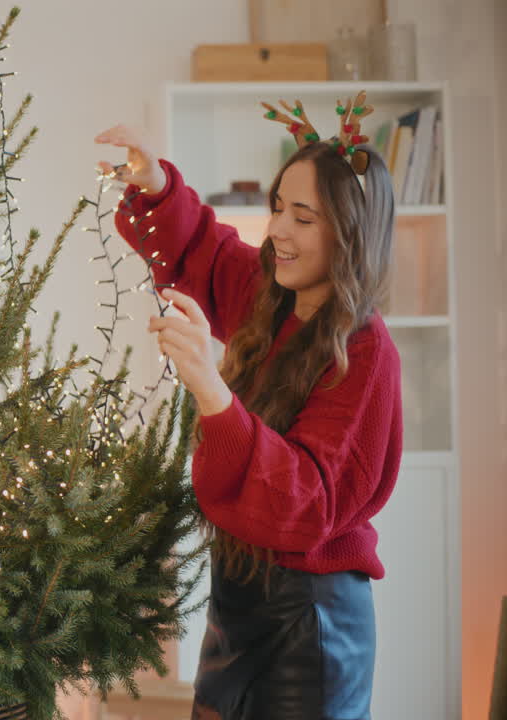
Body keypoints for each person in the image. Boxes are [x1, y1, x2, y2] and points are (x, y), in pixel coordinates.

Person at [94, 97, 402, 720]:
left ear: (350, 233)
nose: (279, 230)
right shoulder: (272, 297)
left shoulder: (366, 352)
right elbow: (204, 249)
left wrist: (212, 391)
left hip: (309, 627)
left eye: (303, 217)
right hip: (237, 607)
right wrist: (154, 181)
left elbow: (306, 502)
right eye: (277, 207)